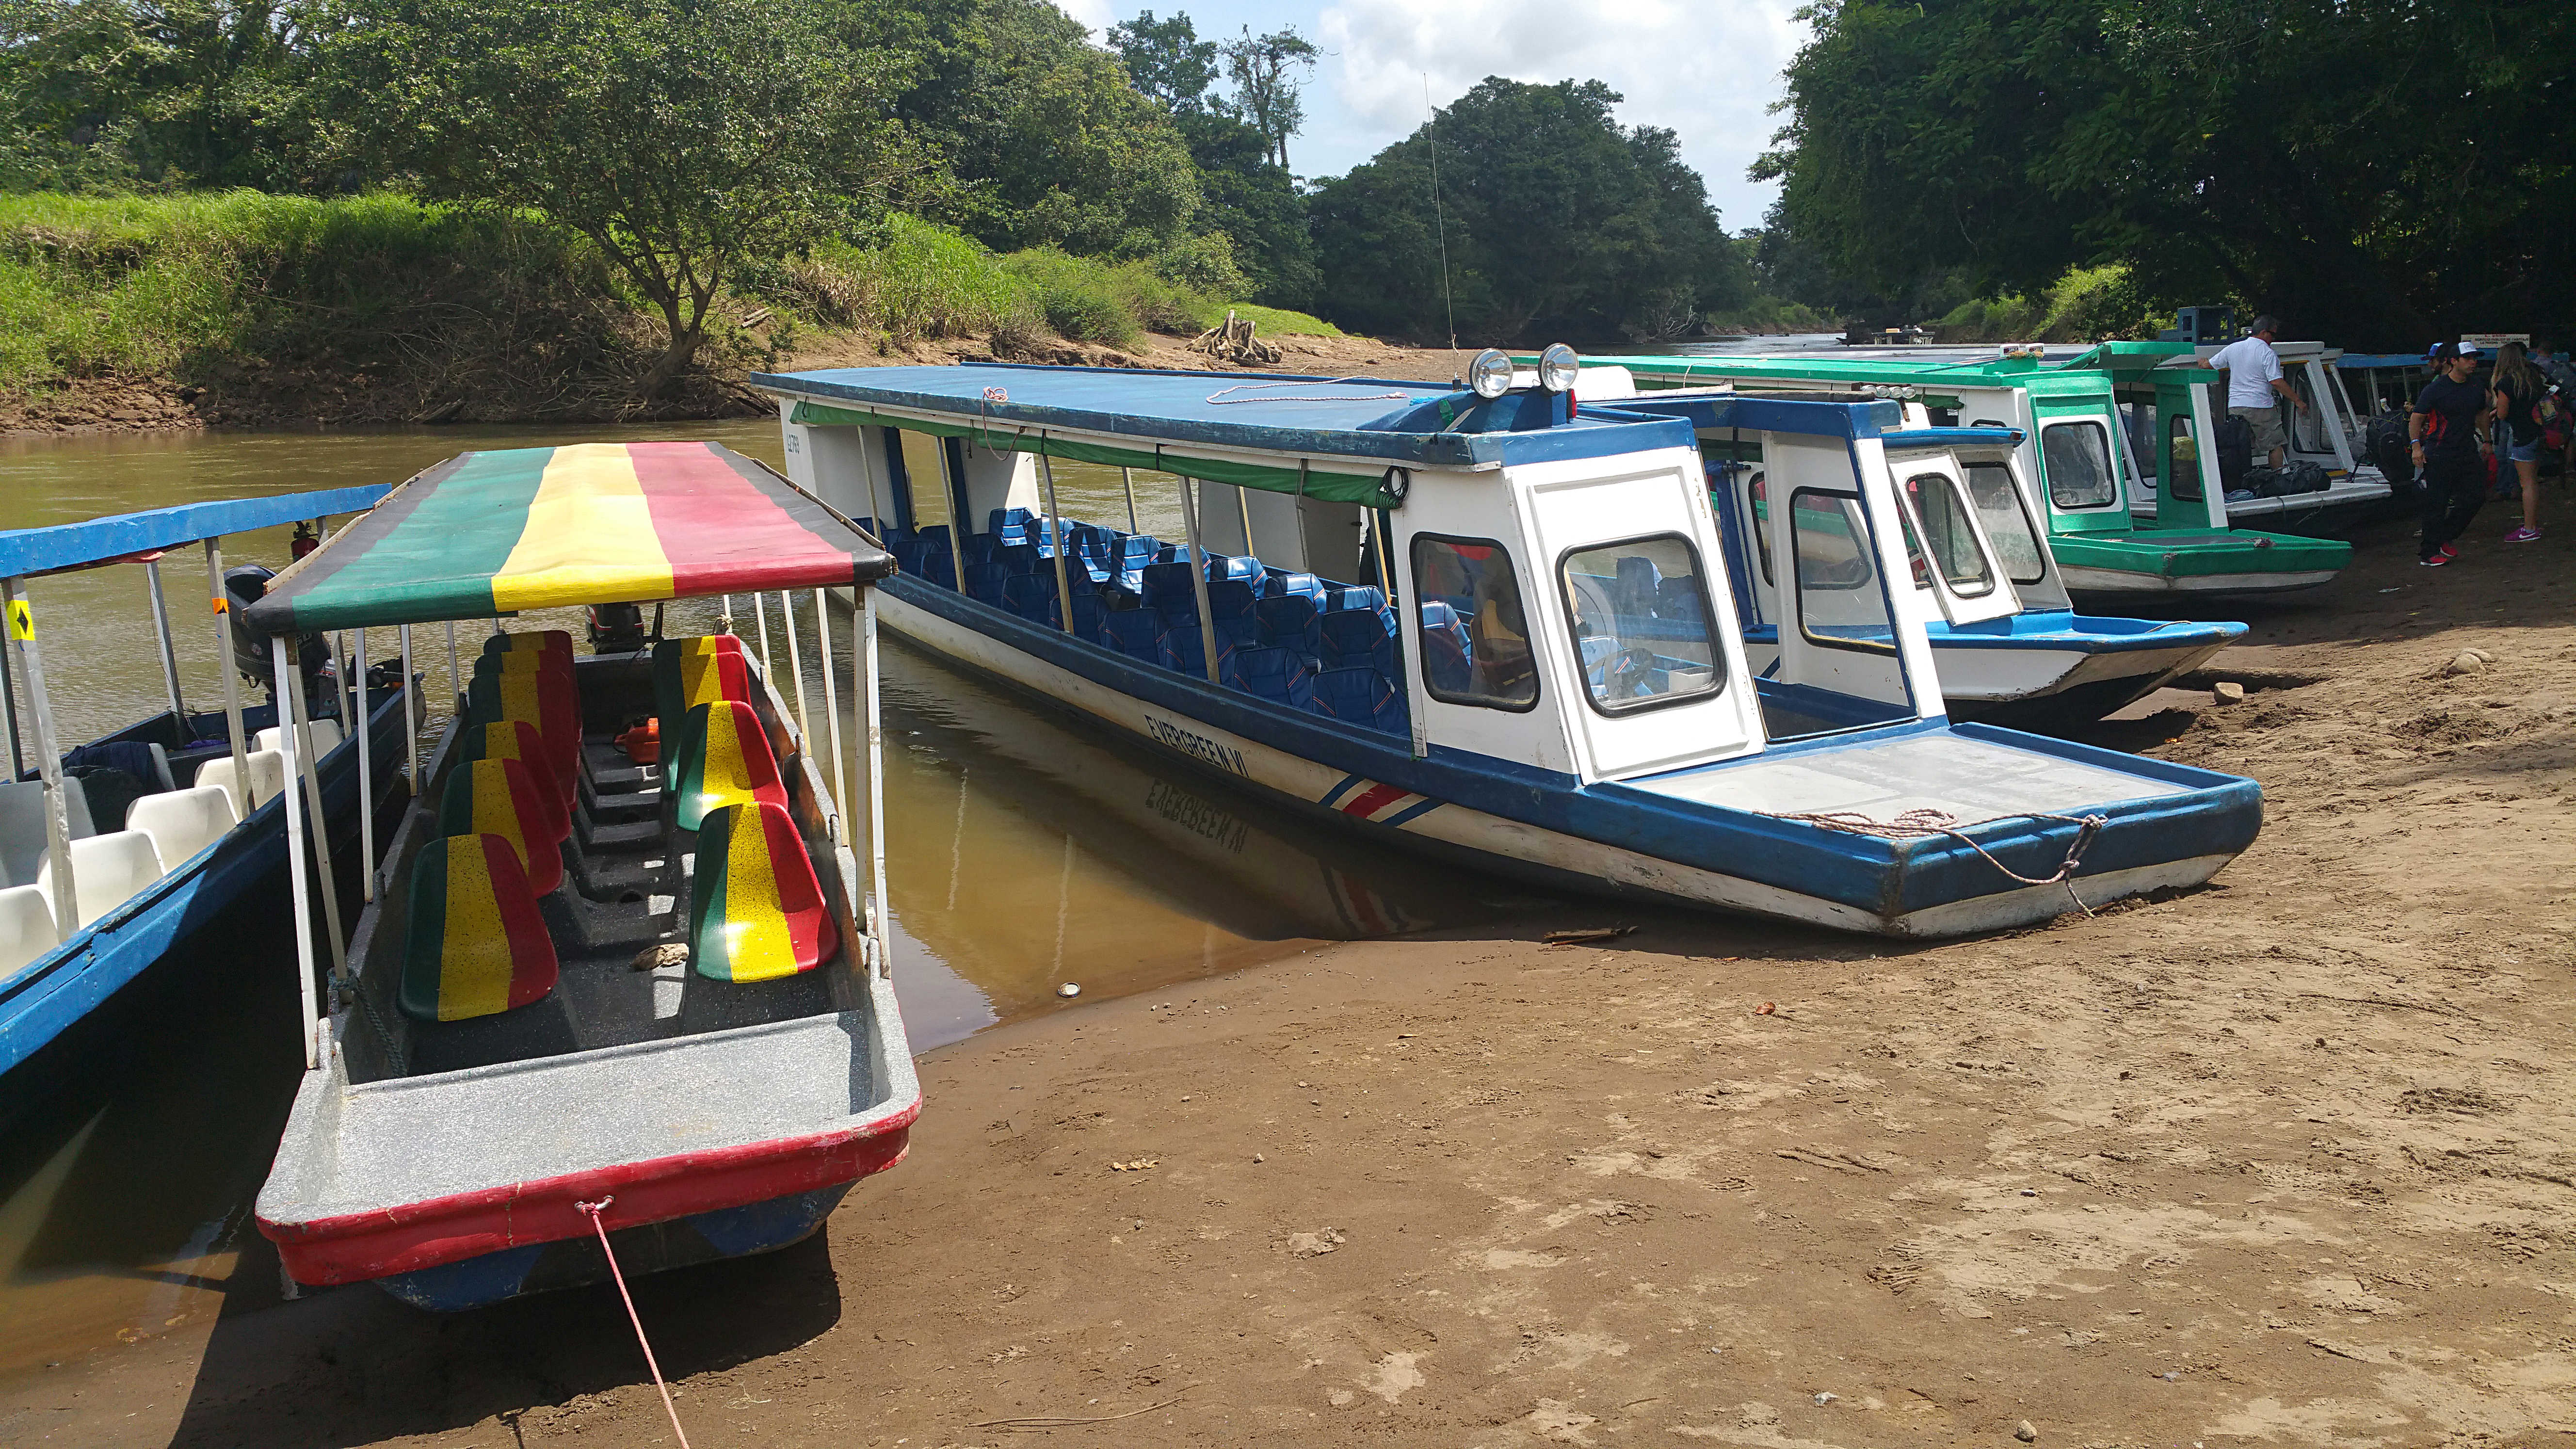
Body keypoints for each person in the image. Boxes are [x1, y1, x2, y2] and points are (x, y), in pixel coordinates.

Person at [2411, 342, 2492, 565]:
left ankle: (2445, 537)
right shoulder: (2436, 389)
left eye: (2475, 358)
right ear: (2453, 361)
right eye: (2468, 358)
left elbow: (2483, 413)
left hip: (2467, 450)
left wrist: (2487, 440)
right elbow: (2417, 417)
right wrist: (2416, 447)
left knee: (2476, 497)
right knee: (2436, 503)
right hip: (2439, 452)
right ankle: (2428, 552)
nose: (2473, 362)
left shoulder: (2476, 386)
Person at [2206, 315, 2306, 469]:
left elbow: (2209, 365)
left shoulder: (2233, 348)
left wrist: (2201, 363)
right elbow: (2276, 382)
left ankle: (2242, 481)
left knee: (2240, 447)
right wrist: (2298, 401)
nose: (2273, 339)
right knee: (2275, 445)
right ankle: (2277, 479)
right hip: (2260, 407)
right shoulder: (2267, 353)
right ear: (2264, 333)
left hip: (2236, 407)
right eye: (2273, 335)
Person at [2488, 341, 2548, 542]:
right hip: (2541, 432)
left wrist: (2497, 411)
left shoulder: (2505, 383)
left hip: (2522, 435)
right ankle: (2533, 523)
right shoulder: (2534, 377)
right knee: (2533, 482)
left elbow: (2504, 414)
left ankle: (2529, 529)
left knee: (2527, 484)